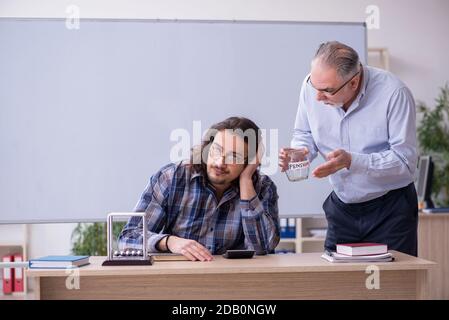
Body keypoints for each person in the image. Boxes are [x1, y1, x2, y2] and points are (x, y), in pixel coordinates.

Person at [279, 41, 418, 256]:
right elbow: (304, 133)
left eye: (327, 91)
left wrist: (352, 161)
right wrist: (300, 152)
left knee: (393, 285)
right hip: (343, 207)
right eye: (314, 87)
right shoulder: (312, 86)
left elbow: (405, 162)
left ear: (353, 83)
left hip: (391, 209)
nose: (317, 97)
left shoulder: (394, 93)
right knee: (338, 284)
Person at [119, 116, 280, 261]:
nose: (219, 163)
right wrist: (170, 242)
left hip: (235, 284)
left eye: (234, 157)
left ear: (249, 162)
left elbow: (263, 247)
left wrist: (246, 181)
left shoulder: (262, 188)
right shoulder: (172, 178)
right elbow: (129, 238)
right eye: (216, 150)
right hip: (177, 282)